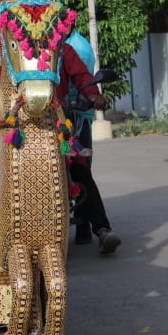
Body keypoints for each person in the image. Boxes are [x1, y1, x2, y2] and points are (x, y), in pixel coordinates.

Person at [60, 35, 120, 255]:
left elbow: (81, 75)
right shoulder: (15, 52)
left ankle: (103, 229)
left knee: (80, 168)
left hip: (59, 132)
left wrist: (94, 95)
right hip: (24, 133)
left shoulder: (62, 50)